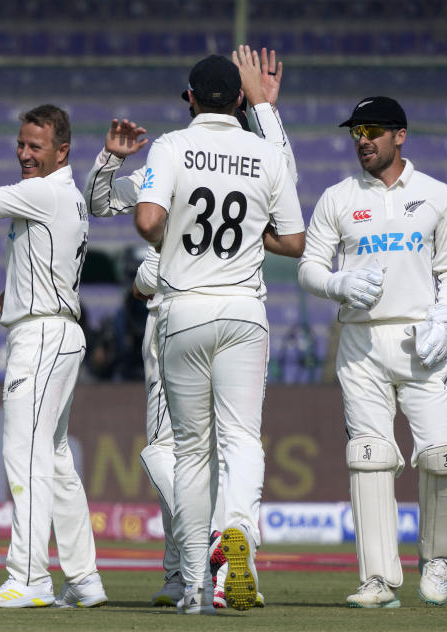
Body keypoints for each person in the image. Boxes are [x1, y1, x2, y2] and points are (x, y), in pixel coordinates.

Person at [85, 45, 296, 609]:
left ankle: (196, 581)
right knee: (241, 441)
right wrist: (267, 111)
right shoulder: (263, 150)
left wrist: (170, 246)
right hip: (244, 309)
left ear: (190, 98)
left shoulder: (171, 149)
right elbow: (295, 240)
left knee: (183, 452)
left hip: (180, 312)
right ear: (241, 101)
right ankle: (235, 541)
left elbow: (131, 212)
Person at [297, 96, 447, 608]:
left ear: (400, 135)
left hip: (422, 340)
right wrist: (339, 283)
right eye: (355, 132)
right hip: (360, 343)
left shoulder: (436, 195)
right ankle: (378, 579)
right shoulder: (338, 197)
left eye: (372, 130)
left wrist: (443, 319)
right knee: (369, 459)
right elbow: (309, 267)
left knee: (442, 454)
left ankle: (438, 560)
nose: (362, 140)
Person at [0, 103, 107, 609]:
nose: (23, 154)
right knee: (56, 461)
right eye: (19, 145)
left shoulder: (44, 192)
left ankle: (30, 578)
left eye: (34, 147)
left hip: (42, 339)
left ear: (62, 151)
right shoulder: (59, 197)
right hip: (50, 329)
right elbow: (29, 281)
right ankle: (84, 579)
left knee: (26, 455)